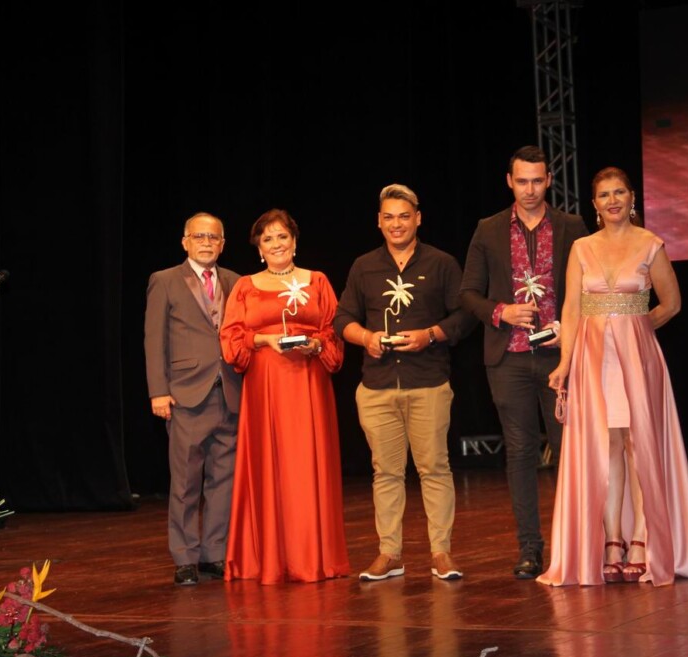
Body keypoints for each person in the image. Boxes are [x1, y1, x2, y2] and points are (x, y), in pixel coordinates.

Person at [537, 168, 688, 587]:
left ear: (631, 198)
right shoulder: (582, 248)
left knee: (638, 444)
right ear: (594, 204)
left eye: (619, 192)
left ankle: (642, 540)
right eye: (604, 194)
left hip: (638, 360)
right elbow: (571, 309)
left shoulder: (650, 243)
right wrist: (565, 363)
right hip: (593, 358)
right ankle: (613, 541)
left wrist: (636, 329)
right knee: (606, 444)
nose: (612, 200)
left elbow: (671, 304)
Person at [334, 184, 476, 582]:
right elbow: (342, 319)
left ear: (418, 218)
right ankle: (389, 554)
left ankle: (441, 552)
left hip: (428, 381)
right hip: (377, 386)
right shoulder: (363, 266)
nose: (396, 224)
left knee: (435, 469)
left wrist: (430, 335)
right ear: (378, 222)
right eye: (389, 217)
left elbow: (465, 316)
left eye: (403, 216)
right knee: (386, 473)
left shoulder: (442, 263)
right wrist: (367, 338)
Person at [460, 145, 588, 579]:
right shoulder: (488, 229)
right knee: (520, 454)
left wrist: (569, 327)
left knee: (570, 451)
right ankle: (530, 548)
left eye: (537, 181)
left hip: (560, 356)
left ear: (549, 180)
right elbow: (468, 293)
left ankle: (576, 545)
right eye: (522, 181)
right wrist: (502, 311)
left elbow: (588, 289)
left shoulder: (572, 226)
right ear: (509, 182)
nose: (530, 190)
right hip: (508, 358)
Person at [219, 209, 349, 584]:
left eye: (282, 237)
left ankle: (313, 557)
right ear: (259, 248)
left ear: (294, 241)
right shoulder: (245, 286)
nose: (276, 244)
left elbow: (333, 331)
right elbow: (231, 339)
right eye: (268, 239)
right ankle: (270, 560)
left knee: (307, 465)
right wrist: (263, 339)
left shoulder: (318, 281)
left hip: (309, 385)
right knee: (269, 467)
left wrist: (315, 344)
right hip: (266, 386)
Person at [145, 212, 242, 586]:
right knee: (186, 481)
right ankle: (184, 556)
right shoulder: (165, 280)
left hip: (229, 392)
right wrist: (158, 390)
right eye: (199, 236)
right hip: (185, 394)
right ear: (185, 241)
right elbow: (154, 339)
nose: (206, 242)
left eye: (213, 237)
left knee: (223, 480)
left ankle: (214, 553)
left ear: (222, 244)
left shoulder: (235, 282)